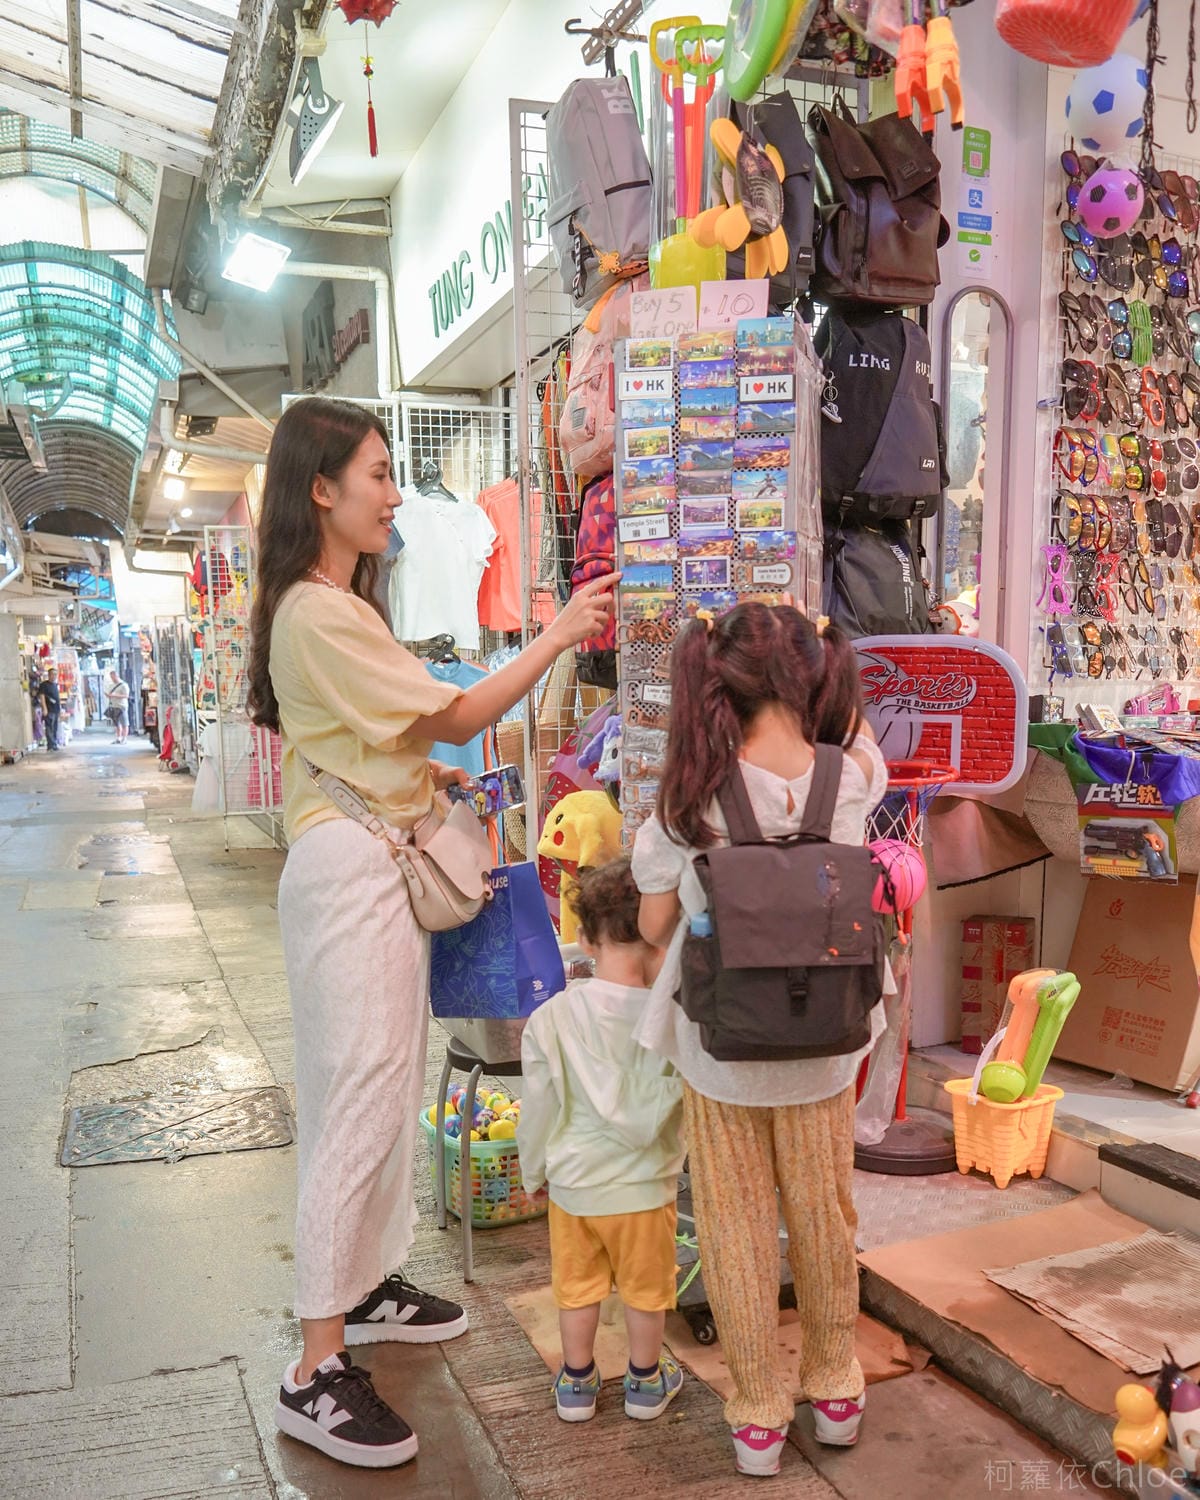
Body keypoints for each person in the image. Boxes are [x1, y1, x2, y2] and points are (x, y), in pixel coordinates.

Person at [246, 396, 618, 1471]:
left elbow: (389, 734)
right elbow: (453, 711)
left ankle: (360, 1291)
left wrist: (423, 772)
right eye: (376, 472)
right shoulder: (316, 612)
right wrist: (552, 635)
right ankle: (315, 1366)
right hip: (351, 881)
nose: (394, 491)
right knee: (359, 1099)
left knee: (380, 1087)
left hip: (367, 867)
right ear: (321, 488)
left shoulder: (329, 603)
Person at [632, 603, 889, 1479]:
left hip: (723, 1050)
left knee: (737, 1229)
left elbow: (654, 918)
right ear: (808, 676)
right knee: (824, 1216)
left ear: (716, 682)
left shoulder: (690, 795)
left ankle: (754, 1419)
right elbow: (860, 743)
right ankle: (837, 1387)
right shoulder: (850, 777)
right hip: (827, 1045)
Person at [517, 859, 684, 1426]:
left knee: (577, 1287)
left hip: (575, 1187)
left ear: (585, 937)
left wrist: (533, 1174)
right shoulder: (674, 1021)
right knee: (646, 1291)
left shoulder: (553, 1018)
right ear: (660, 933)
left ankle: (577, 1382)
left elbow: (538, 1107)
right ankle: (643, 1382)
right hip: (645, 1188)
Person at [38, 666, 61, 752]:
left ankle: (54, 744)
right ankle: (50, 745)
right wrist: (44, 708)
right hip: (49, 710)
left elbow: (57, 698)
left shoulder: (55, 685)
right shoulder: (44, 685)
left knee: (54, 728)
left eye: (55, 674)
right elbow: (42, 696)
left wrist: (59, 710)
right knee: (49, 727)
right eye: (52, 674)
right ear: (49, 675)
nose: (54, 676)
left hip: (56, 710)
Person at [105, 669, 131, 744]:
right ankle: (118, 738)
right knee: (117, 723)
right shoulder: (111, 685)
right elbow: (109, 693)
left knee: (124, 723)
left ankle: (124, 738)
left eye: (113, 677)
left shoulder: (124, 685)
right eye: (111, 677)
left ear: (117, 676)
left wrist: (114, 695)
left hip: (122, 706)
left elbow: (126, 696)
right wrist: (109, 696)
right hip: (114, 706)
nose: (112, 679)